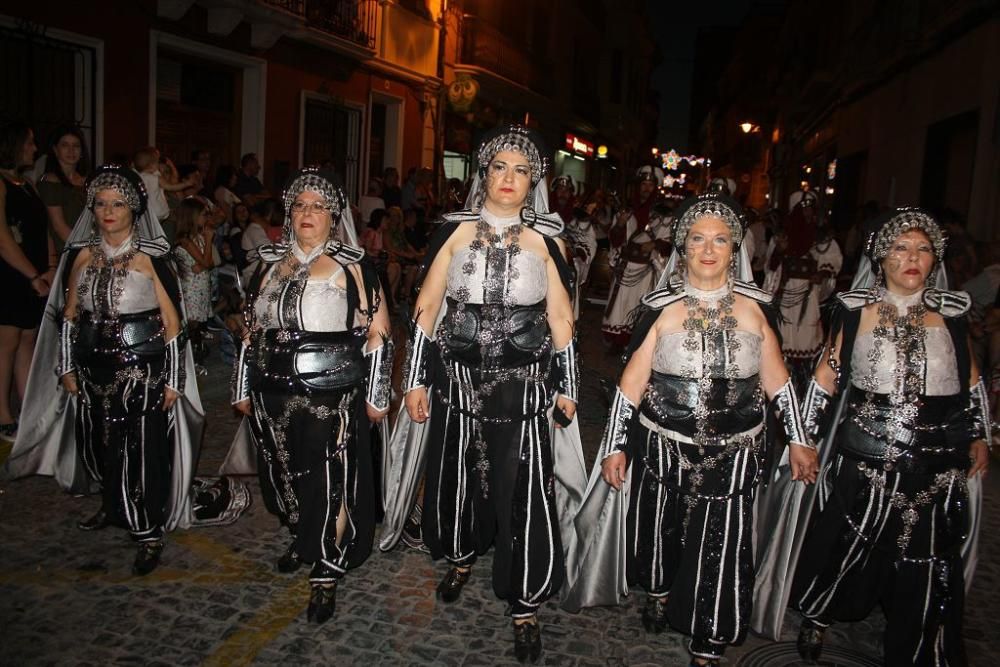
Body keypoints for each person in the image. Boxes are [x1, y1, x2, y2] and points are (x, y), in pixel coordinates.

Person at [563, 192, 818, 667]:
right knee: (662, 531)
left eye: (720, 240)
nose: (708, 249)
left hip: (735, 454)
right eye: (697, 239)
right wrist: (615, 447)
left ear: (735, 248)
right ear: (682, 249)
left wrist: (801, 439)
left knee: (722, 544)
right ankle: (659, 590)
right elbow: (631, 385)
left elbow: (778, 381)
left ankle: (709, 639)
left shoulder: (756, 310)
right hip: (664, 448)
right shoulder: (660, 308)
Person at [380, 124, 587, 663]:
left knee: (521, 488)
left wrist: (569, 387)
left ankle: (524, 601)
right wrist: (416, 379)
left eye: (522, 170)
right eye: (500, 167)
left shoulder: (548, 239)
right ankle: (461, 555)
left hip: (524, 386)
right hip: (459, 381)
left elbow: (561, 317)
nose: (509, 179)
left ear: (533, 181)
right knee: (458, 472)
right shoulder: (453, 231)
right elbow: (426, 310)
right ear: (484, 174)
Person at [788, 208, 989, 665]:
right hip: (867, 457)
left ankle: (924, 645)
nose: (912, 257)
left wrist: (981, 436)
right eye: (901, 248)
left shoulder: (952, 317)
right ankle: (818, 615)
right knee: (848, 540)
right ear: (881, 257)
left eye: (923, 248)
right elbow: (825, 378)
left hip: (939, 461)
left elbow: (971, 381)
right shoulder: (855, 314)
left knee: (930, 553)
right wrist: (805, 439)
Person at [3, 165, 205, 574]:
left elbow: (172, 325)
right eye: (100, 204)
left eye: (117, 204)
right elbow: (69, 316)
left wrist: (172, 379)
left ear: (134, 209)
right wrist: (66, 367)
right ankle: (113, 506)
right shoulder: (81, 256)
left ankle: (148, 529)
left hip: (141, 369)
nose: (108, 211)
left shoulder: (153, 258)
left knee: (142, 449)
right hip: (94, 369)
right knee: (100, 442)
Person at [229, 167, 391, 624]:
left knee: (328, 478)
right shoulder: (266, 263)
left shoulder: (353, 266)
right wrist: (243, 387)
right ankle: (303, 536)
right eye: (300, 204)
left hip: (330, 392)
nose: (307, 213)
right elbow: (251, 330)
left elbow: (378, 334)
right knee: (283, 477)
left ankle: (326, 565)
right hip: (271, 389)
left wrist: (377, 396)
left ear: (334, 215)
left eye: (318, 206)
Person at [0, 122, 55, 442]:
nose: (35, 149)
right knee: (6, 345)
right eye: (30, 142)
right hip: (10, 275)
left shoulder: (26, 183)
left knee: (27, 342)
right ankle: (3, 416)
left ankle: (27, 408)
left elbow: (42, 228)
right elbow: (3, 238)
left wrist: (49, 266)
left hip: (35, 274)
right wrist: (32, 275)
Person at [763, 190, 843, 392]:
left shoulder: (822, 238)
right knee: (782, 335)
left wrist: (823, 274)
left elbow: (833, 261)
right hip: (785, 295)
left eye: (810, 208)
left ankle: (806, 385)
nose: (808, 213)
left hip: (809, 295)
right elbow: (770, 267)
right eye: (803, 208)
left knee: (808, 335)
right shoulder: (782, 237)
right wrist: (780, 252)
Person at [601, 166, 673, 347]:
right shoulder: (625, 211)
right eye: (643, 184)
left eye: (650, 185)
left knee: (638, 307)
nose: (646, 188)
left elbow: (670, 241)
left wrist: (655, 244)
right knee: (619, 306)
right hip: (625, 268)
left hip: (646, 270)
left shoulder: (664, 215)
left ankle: (634, 343)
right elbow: (615, 240)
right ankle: (616, 341)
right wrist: (620, 224)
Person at [173, 197, 218, 363]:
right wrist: (208, 240)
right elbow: (206, 261)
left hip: (201, 284)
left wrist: (204, 264)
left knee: (197, 322)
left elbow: (210, 263)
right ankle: (190, 358)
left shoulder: (198, 237)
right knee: (191, 322)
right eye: (203, 215)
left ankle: (195, 356)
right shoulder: (185, 240)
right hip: (191, 287)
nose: (206, 218)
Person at [37, 124, 90, 249]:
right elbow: (59, 227)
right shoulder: (50, 182)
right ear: (55, 150)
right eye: (65, 145)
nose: (71, 151)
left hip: (90, 244)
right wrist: (88, 250)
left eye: (76, 146)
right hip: (66, 249)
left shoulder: (88, 181)